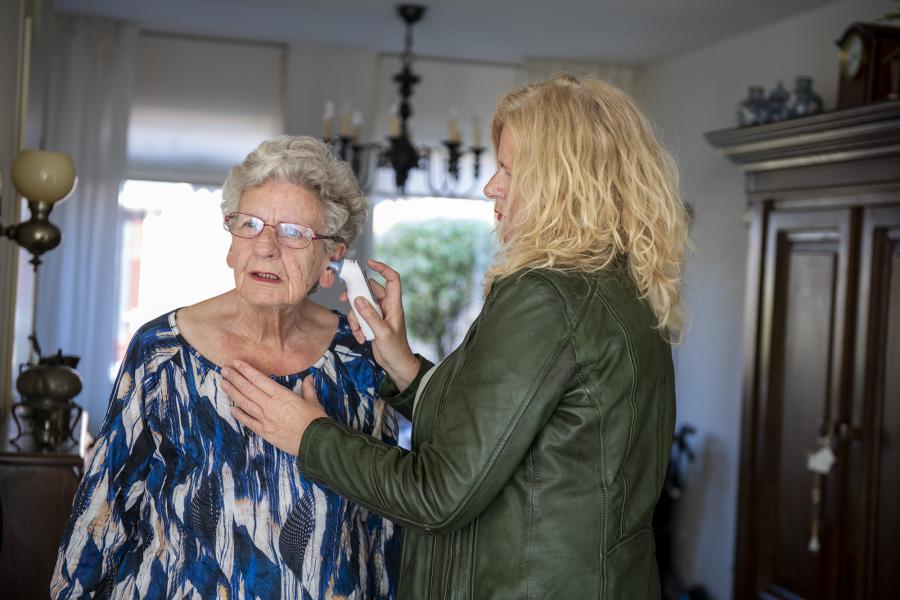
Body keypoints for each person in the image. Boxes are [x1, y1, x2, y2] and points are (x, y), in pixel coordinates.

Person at [223, 74, 691, 598]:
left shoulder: (547, 295)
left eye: (509, 170)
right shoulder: (614, 285)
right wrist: (403, 366)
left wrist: (309, 434)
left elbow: (439, 494)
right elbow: (501, 432)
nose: (492, 186)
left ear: (562, 182)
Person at [51, 136, 401, 599]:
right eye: (250, 225)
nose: (267, 247)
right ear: (232, 244)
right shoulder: (162, 353)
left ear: (332, 256)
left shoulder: (360, 358)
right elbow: (102, 515)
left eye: (294, 232)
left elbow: (381, 527)